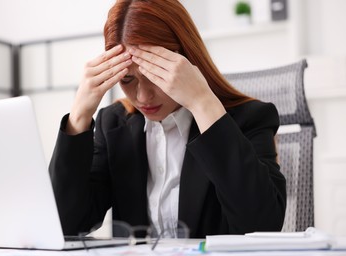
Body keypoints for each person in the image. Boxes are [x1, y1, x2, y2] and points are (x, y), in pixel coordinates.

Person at [49, 0, 286, 239]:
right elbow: (66, 225)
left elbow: (262, 227)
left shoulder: (251, 118)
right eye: (128, 80)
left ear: (185, 62)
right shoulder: (113, 124)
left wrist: (202, 102)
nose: (143, 97)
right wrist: (79, 116)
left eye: (155, 75)